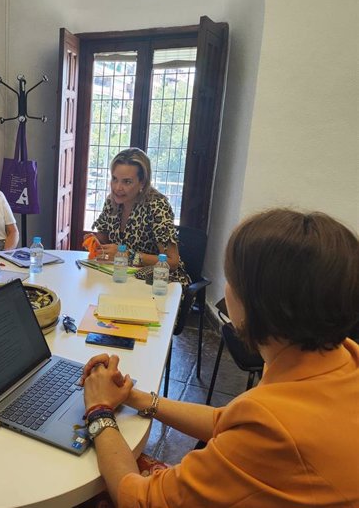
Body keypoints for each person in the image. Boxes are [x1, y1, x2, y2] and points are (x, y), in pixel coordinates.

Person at [80, 208, 359, 507]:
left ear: (256, 303)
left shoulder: (273, 428)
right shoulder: (345, 356)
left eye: (231, 279)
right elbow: (227, 420)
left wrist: (98, 410)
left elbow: (138, 500)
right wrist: (136, 397)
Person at [86, 148, 189, 286]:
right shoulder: (112, 202)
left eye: (127, 182)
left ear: (142, 183)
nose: (117, 188)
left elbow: (172, 261)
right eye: (114, 179)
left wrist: (129, 256)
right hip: (122, 276)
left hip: (159, 281)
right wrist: (94, 241)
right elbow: (105, 236)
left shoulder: (157, 206)